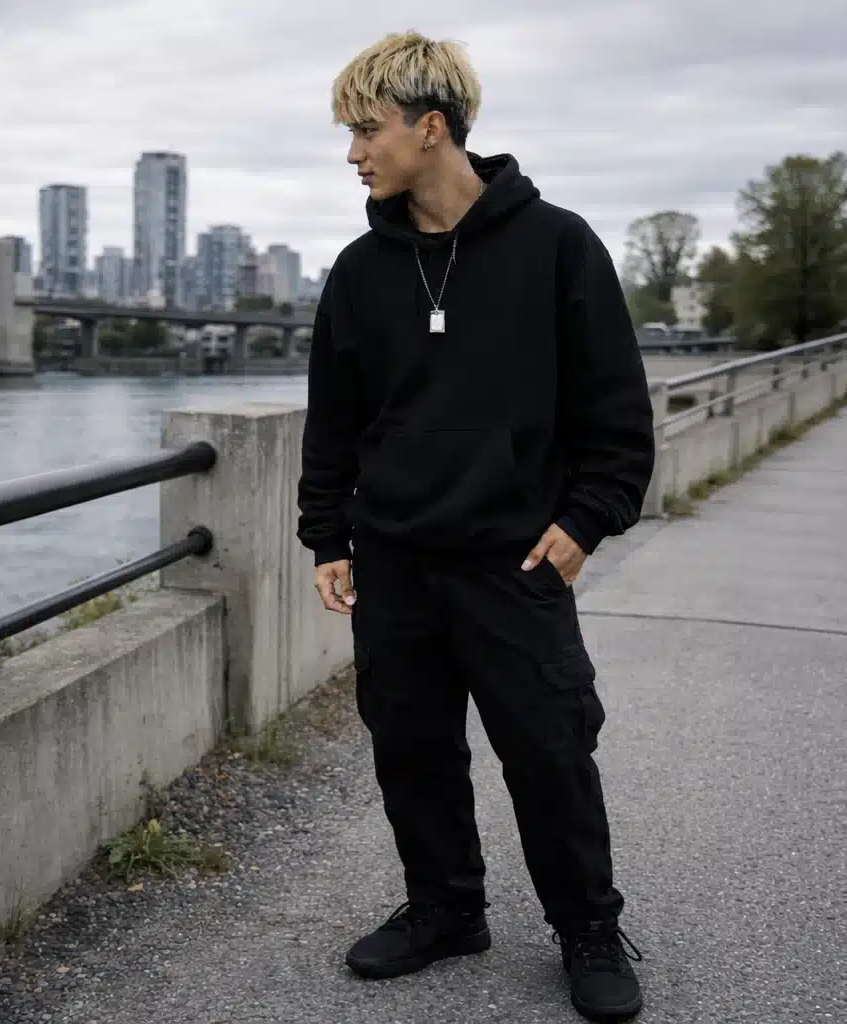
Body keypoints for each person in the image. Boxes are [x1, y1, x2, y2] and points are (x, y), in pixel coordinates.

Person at [295, 31, 656, 1022]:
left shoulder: (558, 247)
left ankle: (587, 928)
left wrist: (584, 524)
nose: (355, 153)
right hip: (397, 563)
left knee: (549, 751)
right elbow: (334, 421)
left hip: (514, 561)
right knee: (409, 747)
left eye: (367, 130)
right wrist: (328, 536)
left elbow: (618, 422)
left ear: (431, 126)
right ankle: (446, 909)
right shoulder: (362, 271)